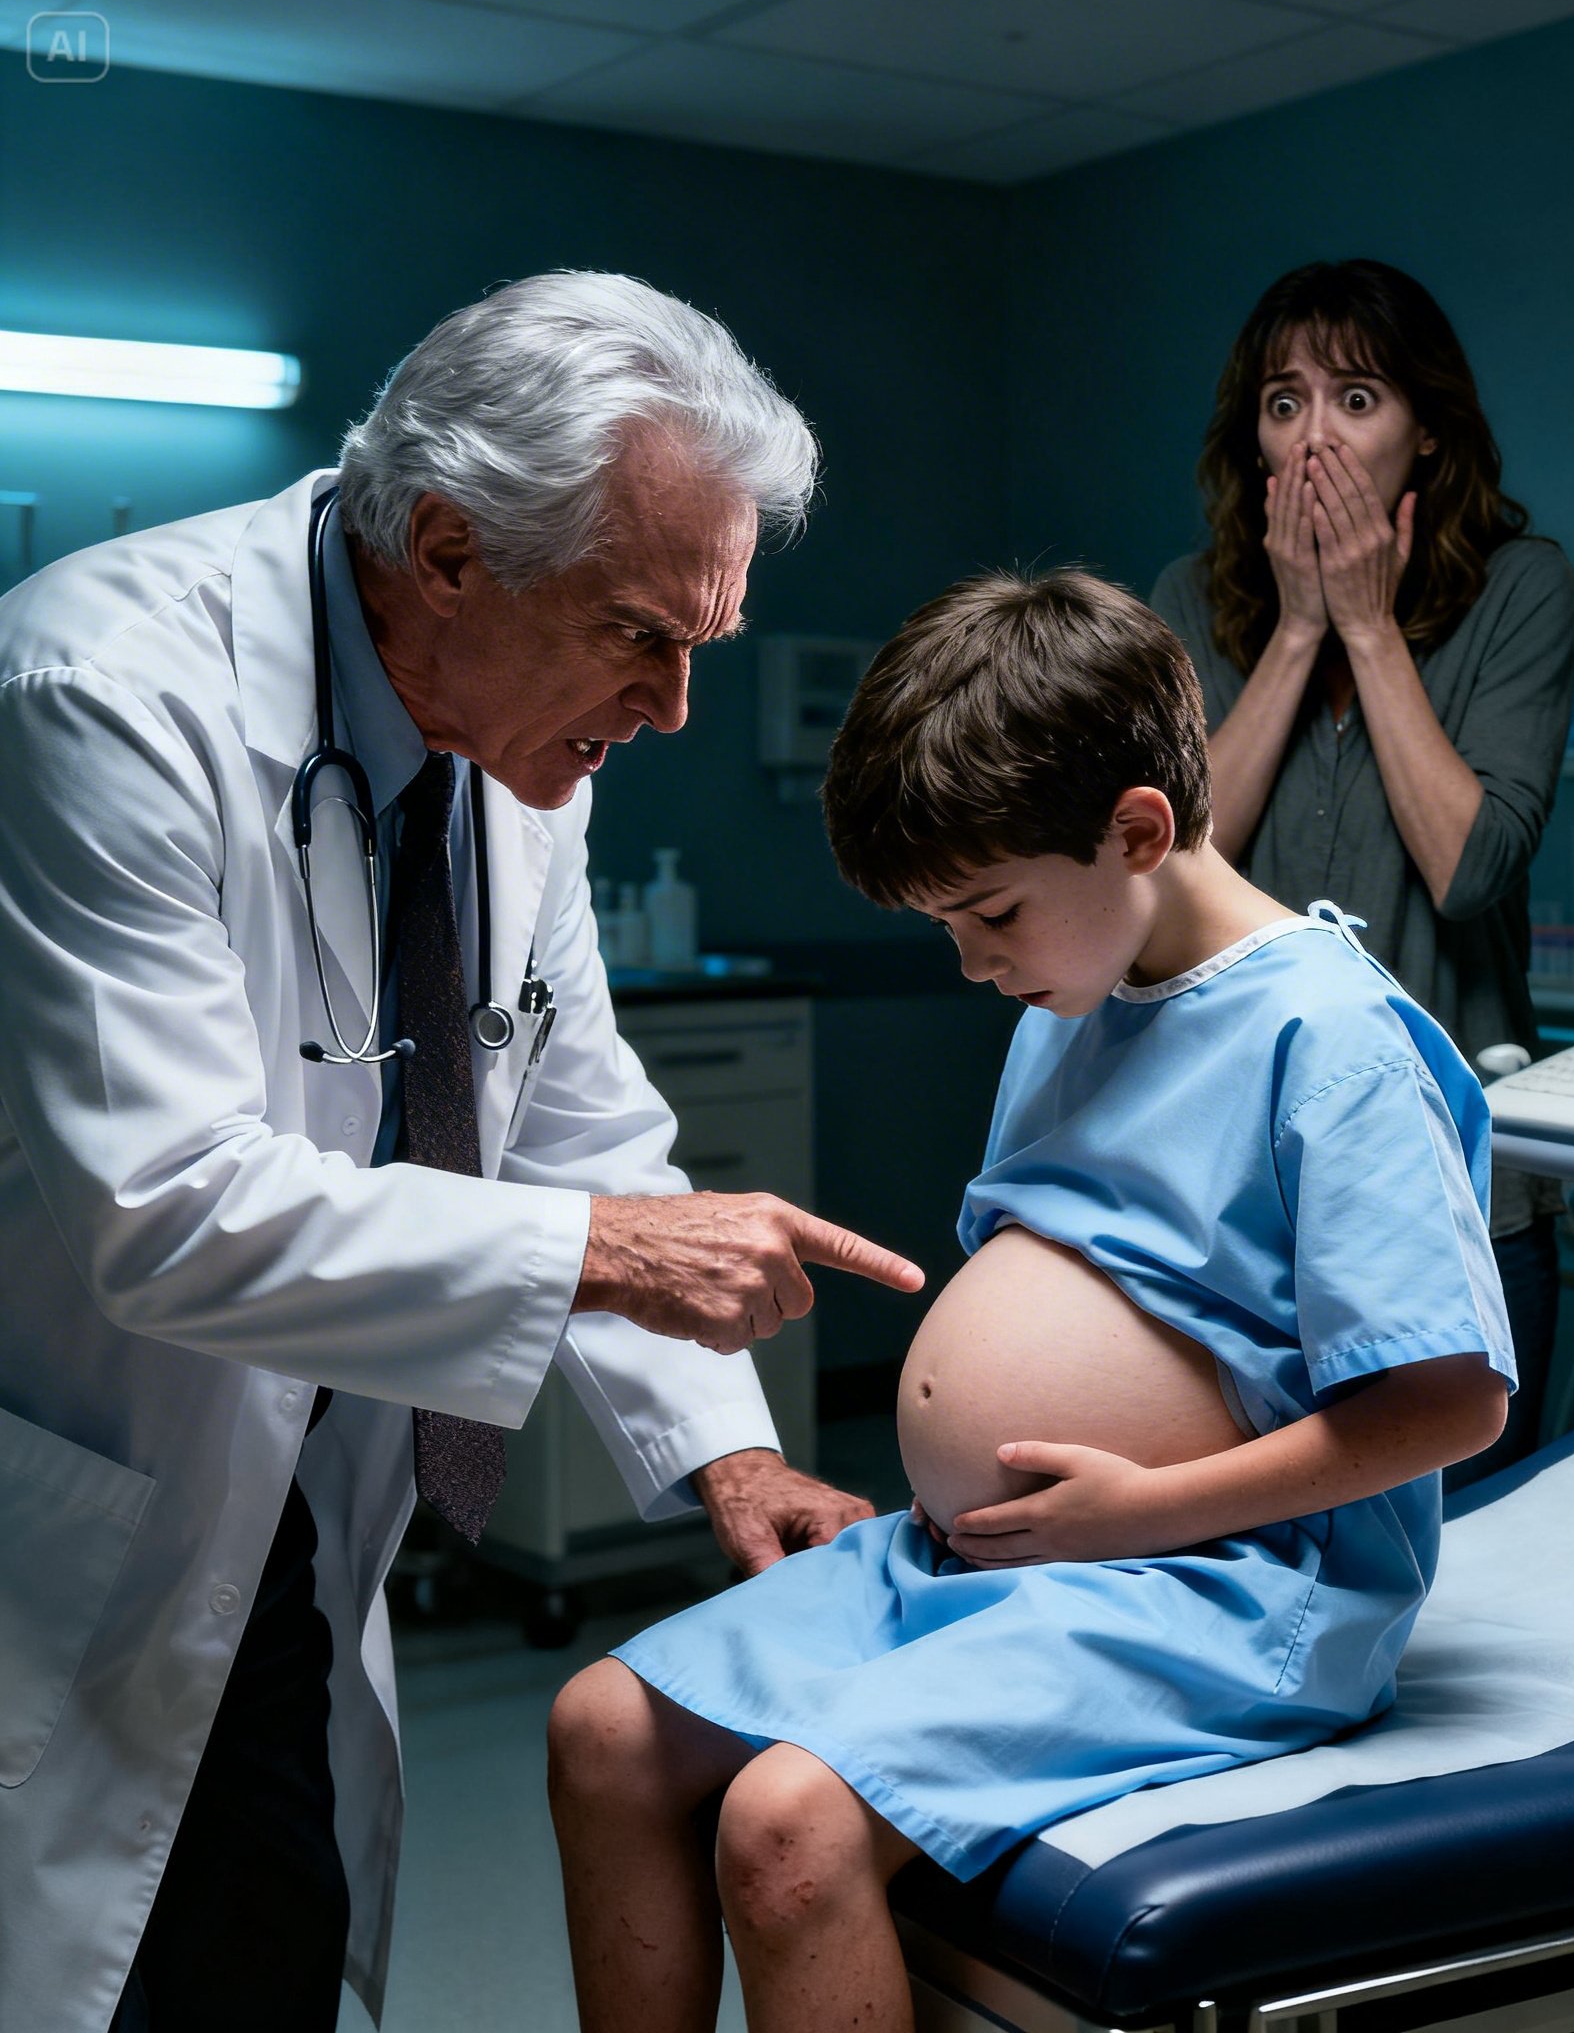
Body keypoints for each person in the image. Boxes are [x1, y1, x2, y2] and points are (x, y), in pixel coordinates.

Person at [0, 272, 924, 2033]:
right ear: (443, 552)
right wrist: (603, 1252)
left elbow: (577, 1124)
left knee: (256, 1945)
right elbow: (168, 1211)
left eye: (696, 648)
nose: (666, 708)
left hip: (282, 1517)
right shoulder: (101, 691)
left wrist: (728, 1456)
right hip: (73, 1500)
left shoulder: (514, 758)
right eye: (638, 635)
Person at [545, 570, 1514, 2033]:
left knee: (784, 1828)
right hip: (991, 1561)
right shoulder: (1079, 995)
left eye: (990, 913)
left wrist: (1147, 1514)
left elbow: (1454, 1403)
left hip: (1224, 1587)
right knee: (603, 1729)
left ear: (1135, 830)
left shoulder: (1333, 1037)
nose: (972, 961)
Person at [1150, 258, 1574, 1486]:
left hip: (1461, 1199)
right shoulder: (1188, 601)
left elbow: (1468, 866)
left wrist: (1367, 624)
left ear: (1426, 432)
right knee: (1269, 1559)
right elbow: (1169, 868)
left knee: (1480, 1551)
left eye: (1354, 398)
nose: (1313, 439)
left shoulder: (1520, 587)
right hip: (1250, 1193)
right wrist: (1296, 629)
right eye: (1283, 404)